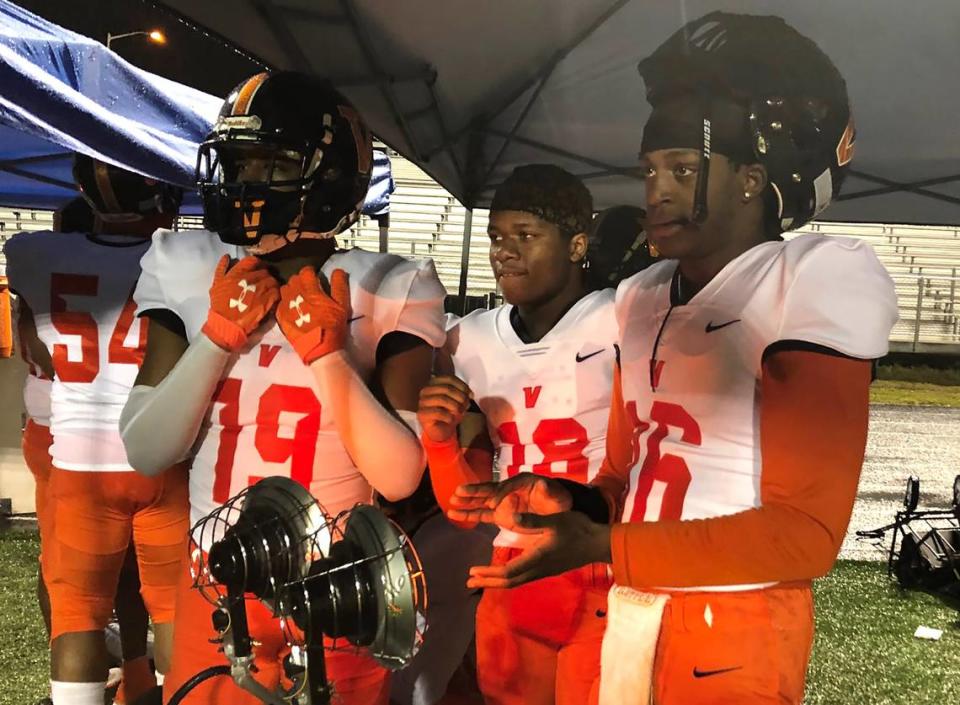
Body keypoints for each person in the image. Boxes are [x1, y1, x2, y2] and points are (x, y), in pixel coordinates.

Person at [450, 12, 898, 705]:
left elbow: (805, 535)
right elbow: (625, 473)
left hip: (735, 627)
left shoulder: (812, 279)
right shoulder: (641, 295)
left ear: (752, 179)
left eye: (682, 168)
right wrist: (564, 499)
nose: (654, 189)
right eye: (650, 168)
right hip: (633, 609)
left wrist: (604, 547)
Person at [119, 70, 446, 705]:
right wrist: (215, 339)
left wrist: (328, 359)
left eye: (267, 163)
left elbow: (401, 477)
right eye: (235, 162)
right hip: (216, 578)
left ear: (327, 178)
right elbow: (146, 450)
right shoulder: (187, 266)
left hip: (339, 584)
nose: (242, 183)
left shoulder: (386, 283)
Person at [417, 164, 623, 705]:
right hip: (511, 566)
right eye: (496, 238)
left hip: (602, 561)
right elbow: (465, 507)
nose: (503, 251)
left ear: (577, 243)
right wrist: (439, 443)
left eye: (525, 237)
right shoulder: (470, 341)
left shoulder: (624, 320)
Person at [4, 154, 188, 705]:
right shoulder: (186, 257)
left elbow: (40, 351)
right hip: (162, 455)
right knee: (174, 607)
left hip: (79, 456)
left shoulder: (31, 253)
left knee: (77, 611)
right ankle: (158, 690)